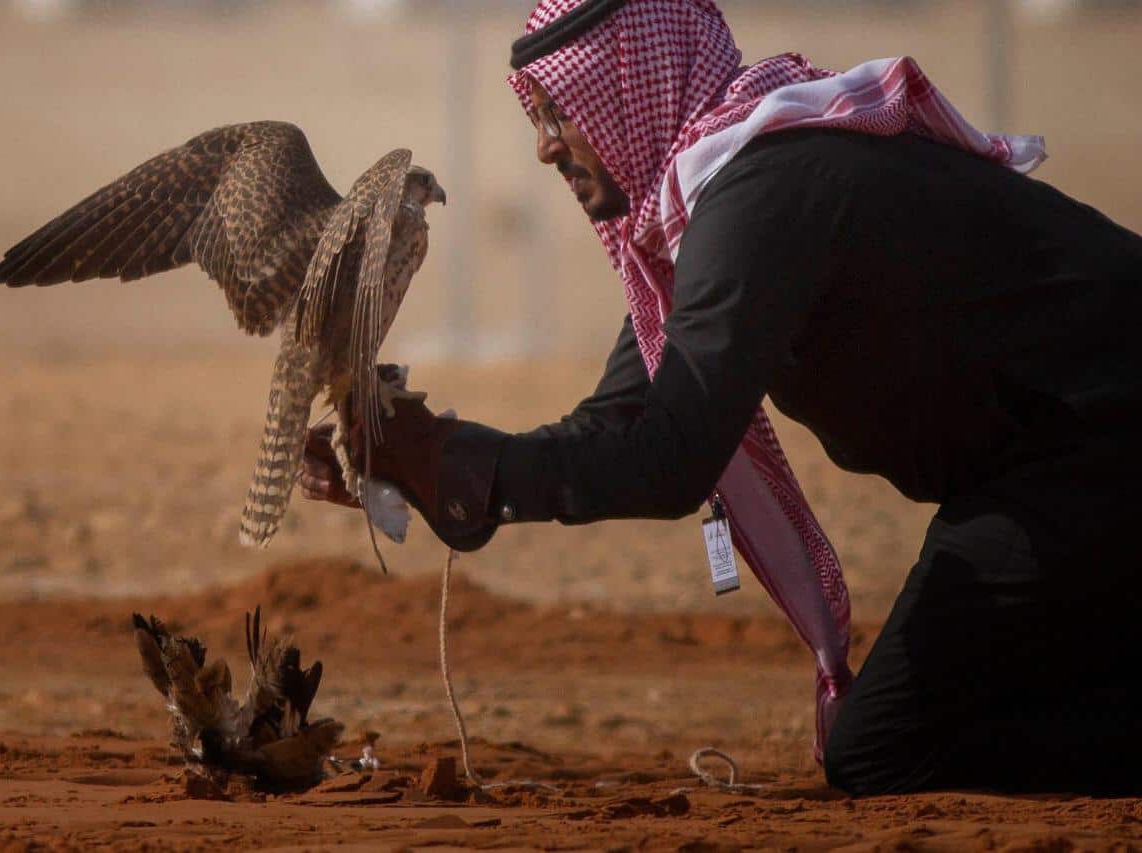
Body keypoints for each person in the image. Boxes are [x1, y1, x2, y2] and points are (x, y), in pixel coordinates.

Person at [300, 0, 1142, 796]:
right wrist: (423, 465)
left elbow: (670, 460)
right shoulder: (724, 202)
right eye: (537, 120)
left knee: (882, 744)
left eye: (559, 114)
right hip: (1058, 457)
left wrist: (449, 464)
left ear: (634, 84)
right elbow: (620, 423)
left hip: (1093, 443)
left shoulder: (761, 194)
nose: (546, 149)